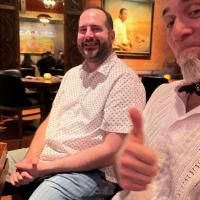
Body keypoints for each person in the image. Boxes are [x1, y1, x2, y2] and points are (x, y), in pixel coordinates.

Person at [3, 7, 145, 200]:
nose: (88, 35)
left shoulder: (125, 80)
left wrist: (43, 167)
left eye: (96, 29)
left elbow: (113, 150)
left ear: (112, 35)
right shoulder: (71, 75)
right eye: (82, 30)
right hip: (48, 156)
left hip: (92, 172)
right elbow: (50, 121)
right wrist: (31, 159)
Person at [114, 0, 200, 199]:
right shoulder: (163, 94)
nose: (177, 32)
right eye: (169, 22)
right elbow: (131, 186)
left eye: (195, 11)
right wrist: (125, 168)